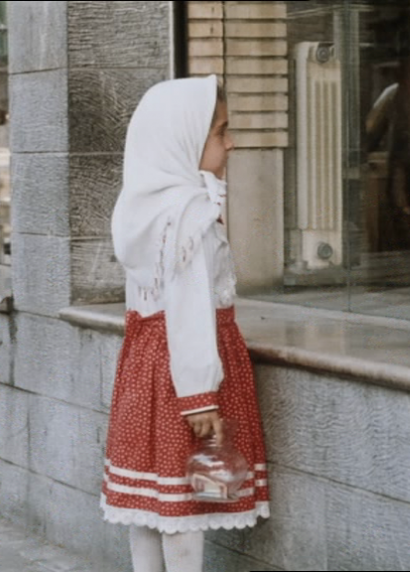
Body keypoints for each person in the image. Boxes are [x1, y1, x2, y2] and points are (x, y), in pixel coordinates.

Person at [101, 75, 269, 572]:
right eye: (221, 131)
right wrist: (199, 394)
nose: (231, 142)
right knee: (184, 509)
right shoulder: (189, 214)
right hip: (186, 373)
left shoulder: (143, 207)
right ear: (182, 139)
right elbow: (190, 305)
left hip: (145, 372)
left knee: (150, 502)